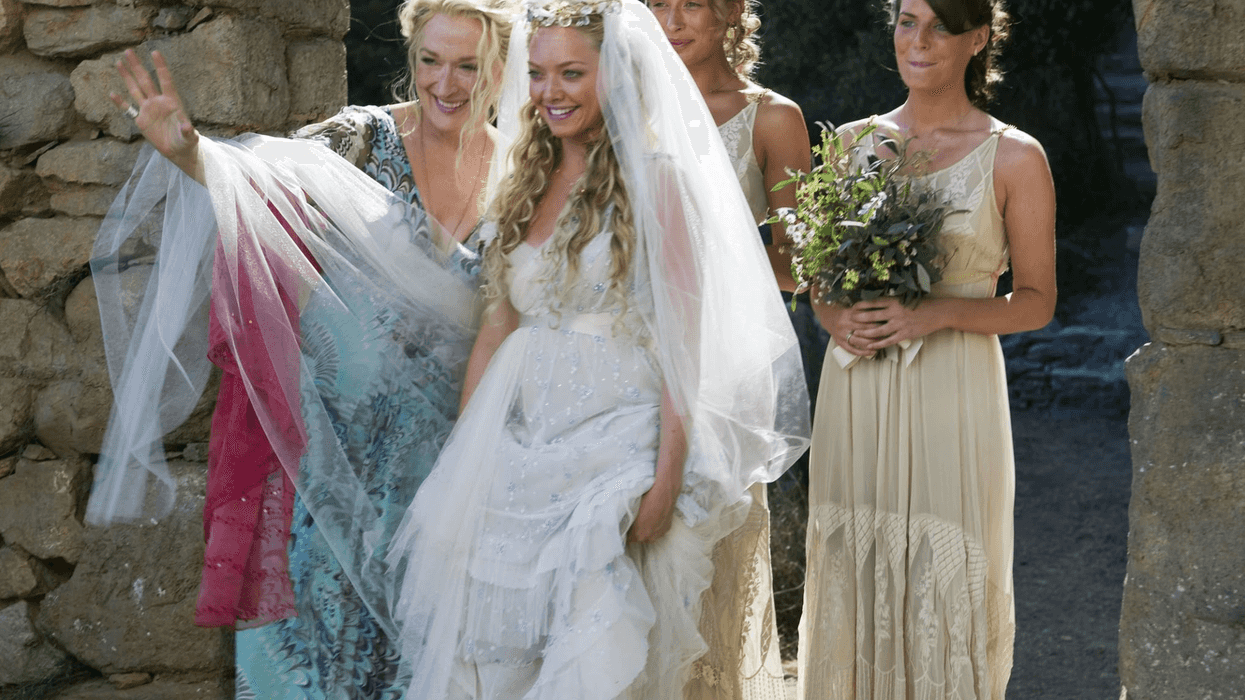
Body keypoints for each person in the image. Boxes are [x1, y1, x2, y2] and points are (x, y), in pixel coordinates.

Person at [85, 1, 514, 697]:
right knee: (309, 658)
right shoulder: (359, 141)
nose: (446, 83)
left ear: (499, 67)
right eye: (431, 60)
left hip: (446, 470)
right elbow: (257, 182)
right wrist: (187, 151)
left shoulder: (523, 170)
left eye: (469, 65)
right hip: (327, 465)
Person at [385, 1, 810, 698]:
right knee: (497, 649)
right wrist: (468, 460)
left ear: (613, 72)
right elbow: (496, 331)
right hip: (518, 439)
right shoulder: (520, 179)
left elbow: (686, 342)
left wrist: (667, 474)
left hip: (618, 438)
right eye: (539, 74)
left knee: (594, 647)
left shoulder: (661, 180)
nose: (551, 91)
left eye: (572, 73)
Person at [796, 0, 1056, 697]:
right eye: (908, 20)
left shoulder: (1016, 156)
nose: (919, 40)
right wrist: (831, 317)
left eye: (941, 24)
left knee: (945, 571)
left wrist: (931, 314)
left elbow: (1035, 301)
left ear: (978, 38)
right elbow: (817, 279)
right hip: (858, 386)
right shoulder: (848, 142)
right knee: (857, 568)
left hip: (955, 389)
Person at [647, 0, 813, 696]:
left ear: (731, 12)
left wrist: (717, 241)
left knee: (713, 550)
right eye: (657, 3)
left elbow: (799, 268)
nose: (673, 19)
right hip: (631, 360)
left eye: (692, 3)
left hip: (724, 370)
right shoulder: (615, 102)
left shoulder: (772, 118)